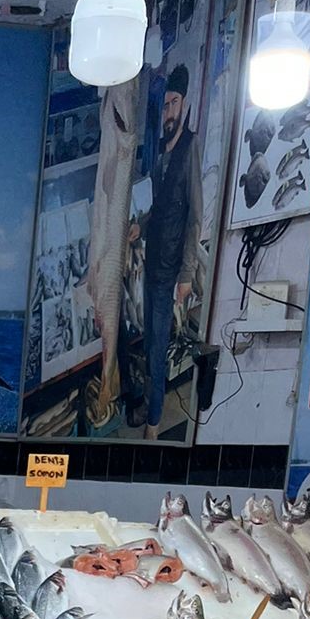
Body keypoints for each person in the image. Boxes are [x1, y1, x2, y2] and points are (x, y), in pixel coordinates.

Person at [134, 62, 203, 440]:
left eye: (174, 103)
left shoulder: (189, 148)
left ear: (185, 104)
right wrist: (139, 227)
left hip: (172, 267)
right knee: (148, 341)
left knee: (159, 345)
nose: (169, 112)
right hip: (152, 260)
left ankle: (154, 425)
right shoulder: (160, 151)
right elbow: (159, 206)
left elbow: (196, 215)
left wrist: (188, 273)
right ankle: (150, 403)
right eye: (165, 105)